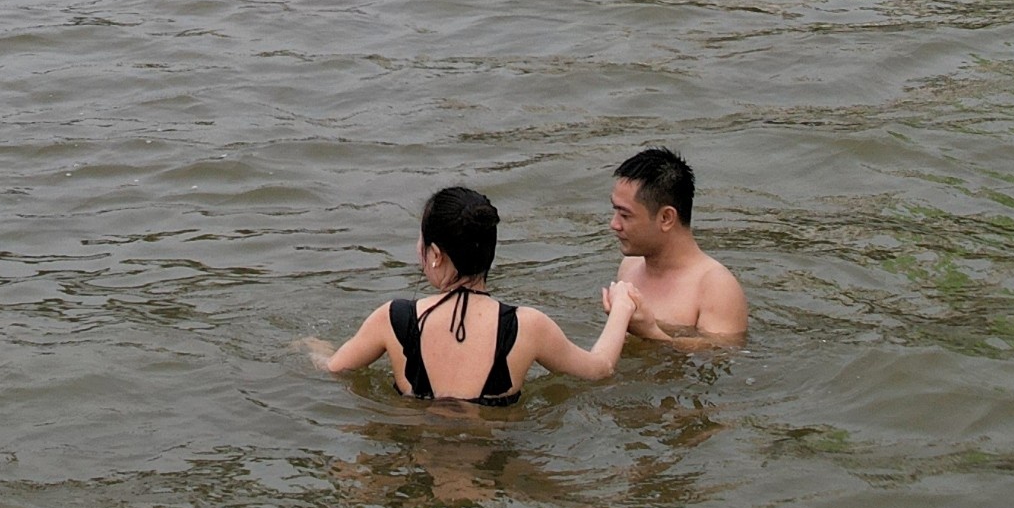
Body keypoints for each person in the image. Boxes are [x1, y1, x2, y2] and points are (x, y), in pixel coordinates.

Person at [313, 185, 640, 405]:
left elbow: (334, 369)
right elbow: (600, 369)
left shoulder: (394, 319)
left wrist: (308, 346)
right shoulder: (527, 327)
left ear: (436, 254)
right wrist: (622, 308)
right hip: (492, 479)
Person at [604, 147, 749, 343]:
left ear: (666, 218)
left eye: (625, 215)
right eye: (615, 211)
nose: (614, 224)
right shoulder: (629, 267)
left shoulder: (716, 287)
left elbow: (722, 354)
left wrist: (650, 333)